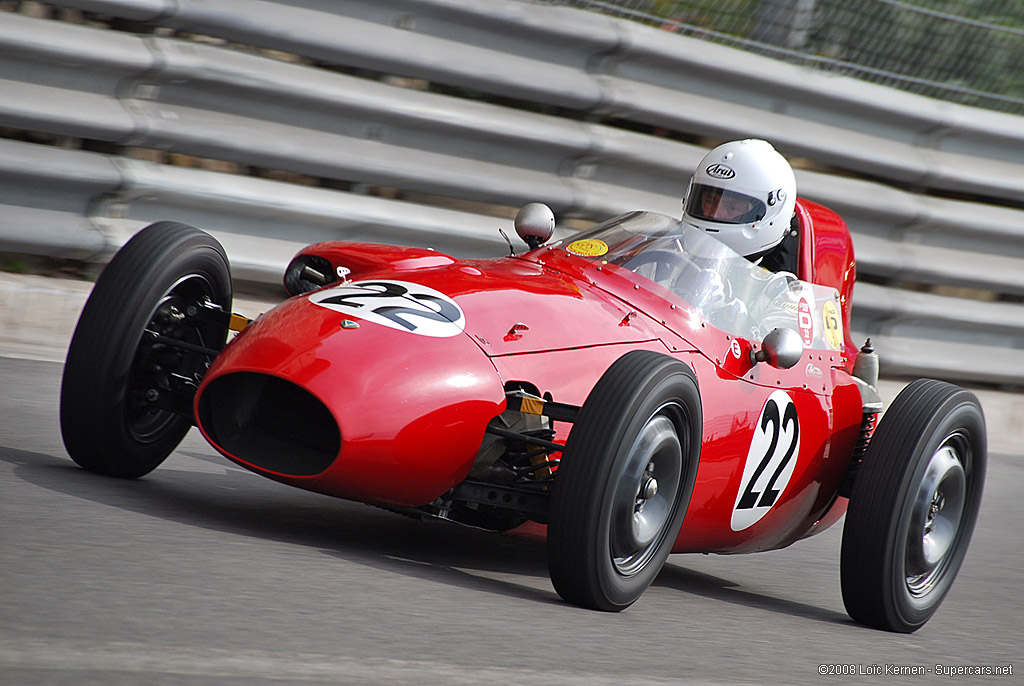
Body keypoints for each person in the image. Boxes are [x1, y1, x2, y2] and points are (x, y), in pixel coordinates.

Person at [681, 139, 799, 274]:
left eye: (732, 207)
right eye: (709, 201)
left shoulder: (780, 289)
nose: (714, 213)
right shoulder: (670, 251)